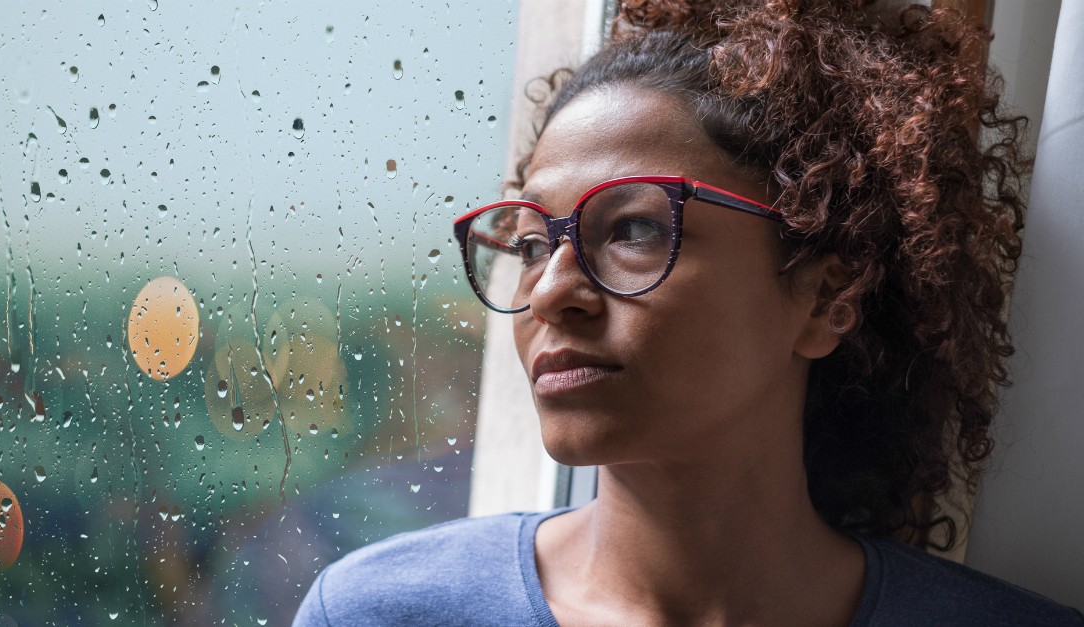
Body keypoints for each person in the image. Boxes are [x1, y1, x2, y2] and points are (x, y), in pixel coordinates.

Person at [293, 1, 1084, 624]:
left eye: (634, 228)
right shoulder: (376, 613)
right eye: (533, 243)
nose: (548, 291)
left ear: (826, 296)